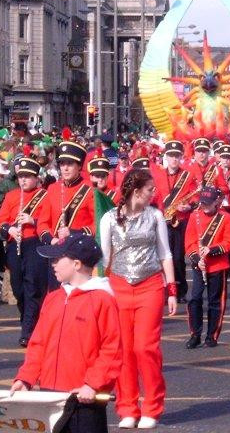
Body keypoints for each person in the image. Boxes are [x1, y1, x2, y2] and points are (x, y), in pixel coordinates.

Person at [10, 234, 122, 433]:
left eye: (57, 259)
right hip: (50, 396)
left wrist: (93, 384)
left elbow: (111, 350)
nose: (52, 264)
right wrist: (25, 378)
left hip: (84, 398)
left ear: (76, 264)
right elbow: (38, 344)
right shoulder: (53, 298)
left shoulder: (102, 300)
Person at [99, 168, 177, 429]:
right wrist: (100, 290)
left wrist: (172, 289)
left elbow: (165, 253)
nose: (154, 194)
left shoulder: (155, 216)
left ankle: (152, 407)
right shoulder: (109, 218)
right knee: (124, 351)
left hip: (150, 285)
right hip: (119, 286)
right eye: (150, 190)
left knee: (145, 348)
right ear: (135, 191)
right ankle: (127, 408)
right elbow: (105, 259)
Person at [0, 157, 49, 347]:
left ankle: (27, 331)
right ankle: (29, 320)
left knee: (32, 286)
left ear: (36, 178)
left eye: (27, 177)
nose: (23, 180)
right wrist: (9, 229)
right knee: (18, 288)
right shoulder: (11, 196)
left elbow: (50, 220)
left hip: (34, 243)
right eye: (20, 177)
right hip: (14, 244)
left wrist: (33, 220)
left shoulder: (44, 195)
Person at [37, 141, 96, 290]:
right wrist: (52, 240)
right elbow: (43, 223)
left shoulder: (90, 190)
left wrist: (74, 233)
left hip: (80, 255)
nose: (65, 168)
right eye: (62, 164)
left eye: (70, 164)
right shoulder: (53, 188)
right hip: (57, 252)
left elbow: (98, 225)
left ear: (79, 166)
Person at [184, 186, 230, 349]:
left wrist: (211, 250)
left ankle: (211, 335)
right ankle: (195, 334)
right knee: (195, 299)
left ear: (216, 202)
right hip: (199, 264)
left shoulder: (225, 217)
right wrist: (197, 258)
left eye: (207, 203)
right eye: (202, 203)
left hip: (218, 265)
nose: (204, 206)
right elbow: (189, 242)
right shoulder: (195, 217)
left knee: (215, 302)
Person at [154, 140, 196, 303]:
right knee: (162, 257)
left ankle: (180, 290)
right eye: (171, 156)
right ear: (166, 157)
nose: (173, 159)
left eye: (176, 156)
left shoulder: (188, 175)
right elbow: (153, 196)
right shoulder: (157, 175)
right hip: (162, 221)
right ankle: (165, 291)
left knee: (178, 257)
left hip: (180, 221)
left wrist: (189, 206)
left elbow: (195, 196)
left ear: (181, 157)